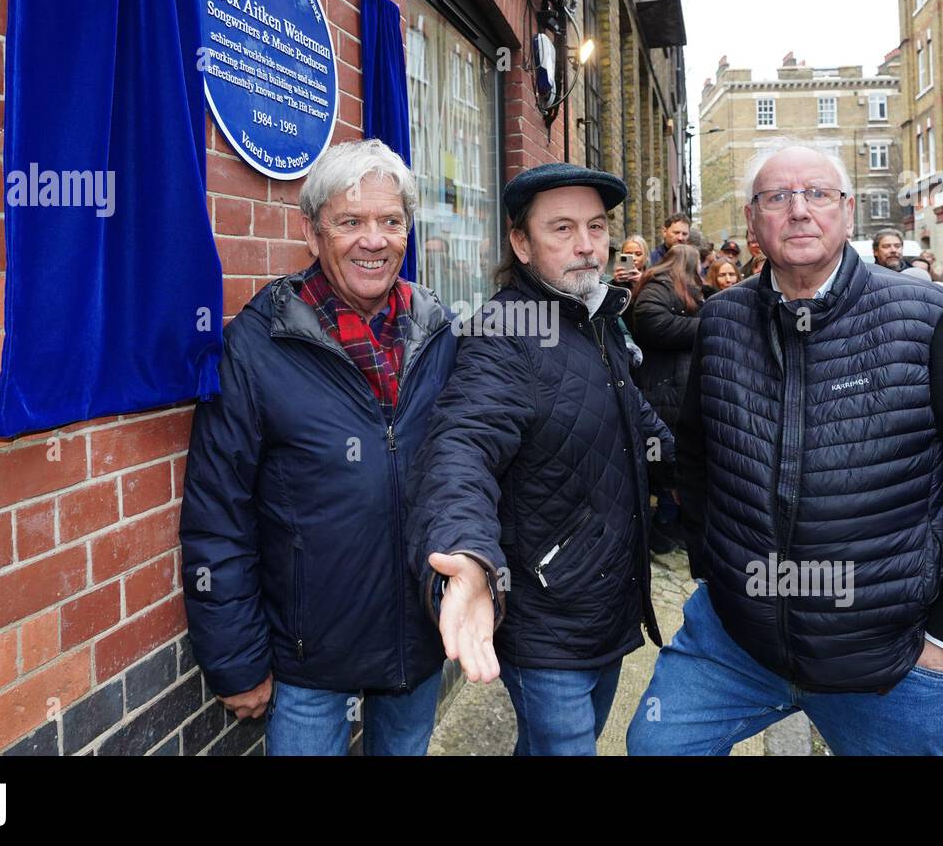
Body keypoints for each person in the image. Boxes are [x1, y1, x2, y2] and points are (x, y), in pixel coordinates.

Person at [626, 140, 943, 756]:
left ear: (845, 211)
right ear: (753, 221)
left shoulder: (922, 315)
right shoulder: (722, 320)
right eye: (777, 197)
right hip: (736, 639)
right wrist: (715, 567)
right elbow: (700, 457)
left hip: (887, 654)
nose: (799, 210)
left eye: (817, 194)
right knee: (657, 746)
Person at [178, 139, 459, 756]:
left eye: (390, 221)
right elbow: (216, 513)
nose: (374, 239)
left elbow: (466, 472)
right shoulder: (258, 344)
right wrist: (235, 657)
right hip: (307, 656)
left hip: (419, 636)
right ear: (312, 232)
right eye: (351, 222)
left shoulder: (438, 334)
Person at [406, 163, 674, 756]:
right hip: (545, 615)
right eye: (562, 229)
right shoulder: (504, 333)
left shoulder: (597, 319)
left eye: (597, 227)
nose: (586, 245)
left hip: (607, 603)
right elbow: (460, 448)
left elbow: (646, 434)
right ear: (521, 244)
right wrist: (470, 559)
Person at [630, 244, 704, 555]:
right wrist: (704, 326)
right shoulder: (659, 288)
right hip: (662, 391)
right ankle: (659, 528)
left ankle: (668, 526)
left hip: (673, 390)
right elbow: (651, 322)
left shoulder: (675, 289)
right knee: (662, 467)